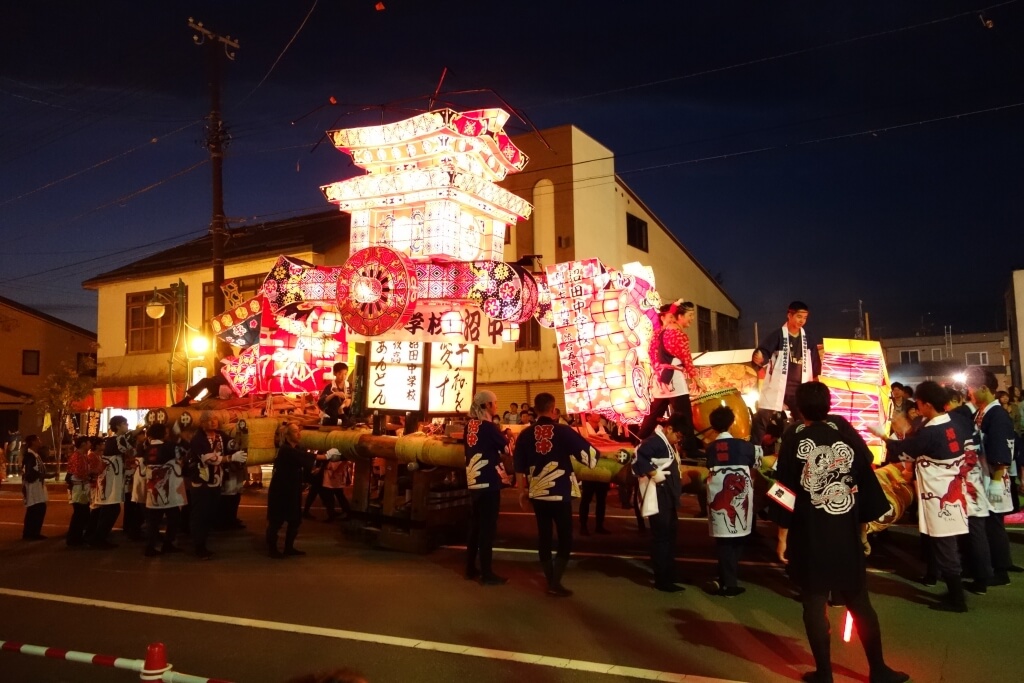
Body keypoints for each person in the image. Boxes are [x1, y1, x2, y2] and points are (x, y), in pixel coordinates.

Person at [772, 382, 908, 683]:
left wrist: (781, 537)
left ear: (800, 409)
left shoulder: (794, 438)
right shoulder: (845, 434)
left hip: (809, 536)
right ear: (828, 404)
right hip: (845, 534)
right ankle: (879, 669)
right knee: (859, 603)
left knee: (813, 601)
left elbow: (784, 490)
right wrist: (862, 534)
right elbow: (868, 486)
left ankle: (824, 672)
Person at [875, 381, 973, 610]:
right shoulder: (954, 423)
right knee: (945, 541)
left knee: (945, 542)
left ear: (928, 404)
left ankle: (957, 599)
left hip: (940, 494)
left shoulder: (931, 430)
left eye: (919, 403)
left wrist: (884, 437)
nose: (917, 407)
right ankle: (946, 586)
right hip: (954, 487)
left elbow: (905, 450)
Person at [514, 392, 598, 597]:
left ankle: (550, 577)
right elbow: (591, 456)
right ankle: (555, 581)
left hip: (538, 493)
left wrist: (522, 492)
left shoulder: (525, 434)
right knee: (565, 537)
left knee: (544, 536)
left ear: (534, 410)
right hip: (560, 493)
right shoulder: (563, 431)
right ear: (553, 410)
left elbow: (519, 467)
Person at [966, 368, 1020, 584]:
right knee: (993, 523)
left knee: (992, 524)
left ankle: (1000, 571)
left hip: (993, 477)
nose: (969, 393)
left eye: (971, 389)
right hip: (986, 475)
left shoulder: (997, 415)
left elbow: (1002, 450)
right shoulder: (983, 412)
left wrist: (996, 482)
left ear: (984, 388)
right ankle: (1002, 563)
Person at [704, 406, 758, 597]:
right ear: (732, 422)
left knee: (723, 540)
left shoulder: (709, 448)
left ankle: (725, 578)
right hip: (740, 497)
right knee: (739, 537)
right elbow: (756, 464)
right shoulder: (745, 446)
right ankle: (730, 583)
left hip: (718, 495)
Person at [633, 411, 689, 592]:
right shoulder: (655, 441)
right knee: (662, 538)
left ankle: (669, 572)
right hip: (659, 495)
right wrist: (654, 473)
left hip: (668, 496)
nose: (677, 440)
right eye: (677, 436)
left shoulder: (664, 442)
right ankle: (662, 578)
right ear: (669, 428)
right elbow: (638, 458)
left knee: (670, 536)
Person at [637, 301, 702, 453]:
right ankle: (689, 449)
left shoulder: (658, 333)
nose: (692, 319)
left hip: (660, 378)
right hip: (674, 378)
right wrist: (696, 379)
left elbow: (652, 355)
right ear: (679, 316)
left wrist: (658, 370)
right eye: (690, 315)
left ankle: (639, 441)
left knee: (655, 413)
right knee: (684, 414)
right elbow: (686, 359)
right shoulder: (678, 334)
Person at [751, 301, 820, 444]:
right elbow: (764, 351)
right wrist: (760, 358)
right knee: (762, 416)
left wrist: (816, 382)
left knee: (804, 419)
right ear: (790, 315)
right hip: (778, 385)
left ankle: (806, 447)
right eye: (799, 316)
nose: (802, 321)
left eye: (805, 317)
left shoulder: (808, 337)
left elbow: (814, 361)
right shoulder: (778, 335)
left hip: (799, 386)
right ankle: (755, 449)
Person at [463, 390, 511, 585]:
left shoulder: (470, 426)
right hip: (489, 481)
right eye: (494, 403)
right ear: (487, 406)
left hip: (473, 480)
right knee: (487, 529)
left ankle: (470, 567)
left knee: (475, 526)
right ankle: (487, 572)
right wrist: (506, 436)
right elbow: (507, 448)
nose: (496, 406)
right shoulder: (489, 427)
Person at [267, 423, 331, 558]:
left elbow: (303, 463)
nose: (299, 434)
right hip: (281, 489)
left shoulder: (298, 448)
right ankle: (272, 549)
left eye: (299, 431)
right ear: (288, 435)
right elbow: (305, 457)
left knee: (295, 520)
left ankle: (289, 547)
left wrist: (312, 472)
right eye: (295, 432)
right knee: (276, 521)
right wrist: (326, 456)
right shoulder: (285, 449)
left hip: (293, 489)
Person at [189, 411, 246, 559]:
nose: (213, 422)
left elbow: (230, 443)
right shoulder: (198, 439)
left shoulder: (220, 435)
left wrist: (240, 438)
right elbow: (210, 459)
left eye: (215, 419)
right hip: (202, 483)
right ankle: (198, 547)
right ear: (202, 423)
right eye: (208, 420)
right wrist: (230, 457)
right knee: (200, 515)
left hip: (216, 482)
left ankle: (202, 544)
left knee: (209, 515)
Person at [87, 416, 134, 549]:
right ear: (118, 426)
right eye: (125, 423)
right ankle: (98, 539)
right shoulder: (115, 440)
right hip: (110, 483)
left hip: (111, 481)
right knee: (111, 509)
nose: (127, 425)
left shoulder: (114, 441)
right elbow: (130, 449)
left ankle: (97, 538)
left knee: (109, 510)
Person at [140, 423, 186, 557]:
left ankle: (150, 546)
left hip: (152, 486)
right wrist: (179, 437)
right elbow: (183, 455)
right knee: (174, 517)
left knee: (153, 519)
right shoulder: (170, 447)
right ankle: (168, 544)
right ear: (163, 434)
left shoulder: (147, 448)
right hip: (168, 486)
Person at [578, 414, 611, 536]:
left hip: (603, 467)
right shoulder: (583, 430)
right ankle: (583, 525)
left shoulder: (604, 429)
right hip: (589, 467)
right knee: (586, 498)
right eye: (594, 414)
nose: (598, 415)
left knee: (601, 499)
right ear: (587, 417)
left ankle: (599, 525)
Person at [65, 436, 93, 547]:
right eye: (88, 442)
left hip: (81, 487)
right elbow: (79, 473)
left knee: (82, 514)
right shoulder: (77, 456)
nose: (90, 444)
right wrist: (90, 474)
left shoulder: (82, 455)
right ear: (83, 444)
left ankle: (76, 538)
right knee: (79, 515)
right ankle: (74, 539)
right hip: (78, 488)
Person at [20, 434, 48, 540]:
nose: (40, 441)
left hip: (37, 485)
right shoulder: (29, 456)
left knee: (37, 508)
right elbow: (29, 472)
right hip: (32, 485)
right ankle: (30, 533)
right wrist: (39, 475)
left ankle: (33, 532)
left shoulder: (35, 454)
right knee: (35, 509)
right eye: (38, 439)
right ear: (33, 442)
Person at [317, 362, 352, 426]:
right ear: (334, 373)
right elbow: (321, 402)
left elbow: (355, 400)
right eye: (340, 374)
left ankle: (344, 421)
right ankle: (342, 421)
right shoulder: (329, 387)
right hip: (333, 416)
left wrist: (350, 401)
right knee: (334, 399)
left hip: (346, 414)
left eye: (345, 374)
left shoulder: (349, 386)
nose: (343, 377)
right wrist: (334, 394)